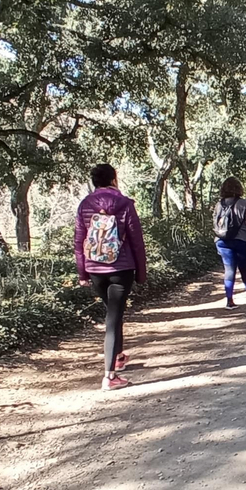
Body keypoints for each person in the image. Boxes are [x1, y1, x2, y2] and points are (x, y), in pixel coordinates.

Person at [75, 163, 148, 391]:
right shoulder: (125, 204)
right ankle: (109, 376)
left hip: (95, 269)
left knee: (113, 315)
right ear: (114, 179)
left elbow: (79, 241)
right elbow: (137, 241)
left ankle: (117, 357)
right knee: (113, 319)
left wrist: (82, 272)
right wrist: (141, 273)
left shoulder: (85, 205)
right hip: (121, 268)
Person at [212, 176, 246, 309]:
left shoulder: (219, 205)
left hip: (222, 241)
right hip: (242, 240)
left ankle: (229, 301)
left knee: (229, 270)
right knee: (244, 268)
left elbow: (215, 224)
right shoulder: (243, 203)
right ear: (239, 188)